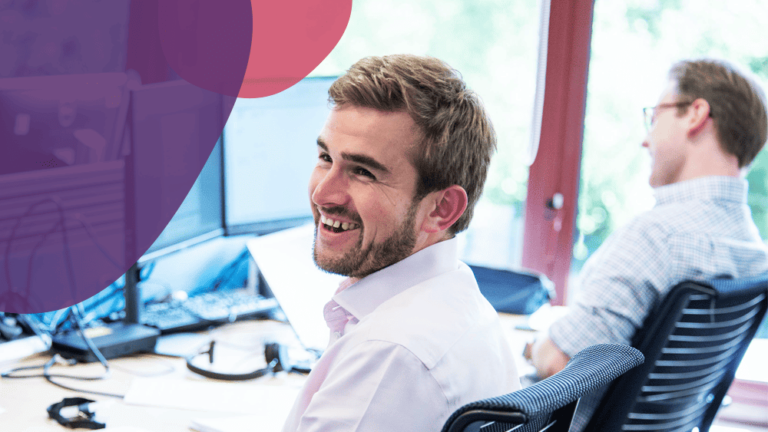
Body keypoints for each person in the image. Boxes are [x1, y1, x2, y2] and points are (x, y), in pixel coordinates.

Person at [280, 54, 521, 432]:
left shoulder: (391, 354)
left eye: (363, 172)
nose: (323, 194)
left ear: (441, 208)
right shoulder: (460, 302)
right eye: (326, 157)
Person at [525, 58, 768, 431]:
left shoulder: (656, 237)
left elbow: (562, 362)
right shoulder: (753, 250)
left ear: (696, 114)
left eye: (654, 117)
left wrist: (536, 343)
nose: (645, 138)